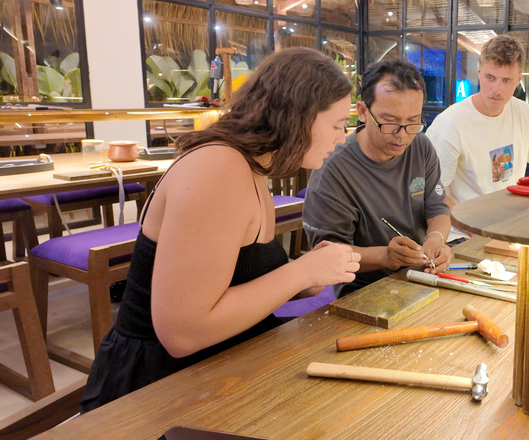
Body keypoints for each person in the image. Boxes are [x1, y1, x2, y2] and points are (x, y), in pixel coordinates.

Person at [81, 48, 361, 412]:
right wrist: (301, 271)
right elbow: (183, 332)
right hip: (156, 390)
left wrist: (301, 281)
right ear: (300, 115)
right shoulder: (218, 168)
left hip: (224, 364)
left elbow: (227, 281)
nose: (342, 137)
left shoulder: (253, 167)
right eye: (338, 123)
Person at [302, 58, 452, 298]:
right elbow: (326, 256)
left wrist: (436, 241)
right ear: (363, 112)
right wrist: (386, 256)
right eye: (390, 122)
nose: (402, 135)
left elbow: (438, 210)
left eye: (413, 122)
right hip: (362, 290)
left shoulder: (421, 146)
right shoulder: (333, 170)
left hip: (421, 278)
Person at [426, 34, 529, 241]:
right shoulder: (450, 123)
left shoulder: (524, 113)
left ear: (519, 78)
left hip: (509, 227)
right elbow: (434, 194)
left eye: (507, 80)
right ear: (479, 70)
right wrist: (478, 232)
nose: (497, 89)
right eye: (490, 78)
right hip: (461, 235)